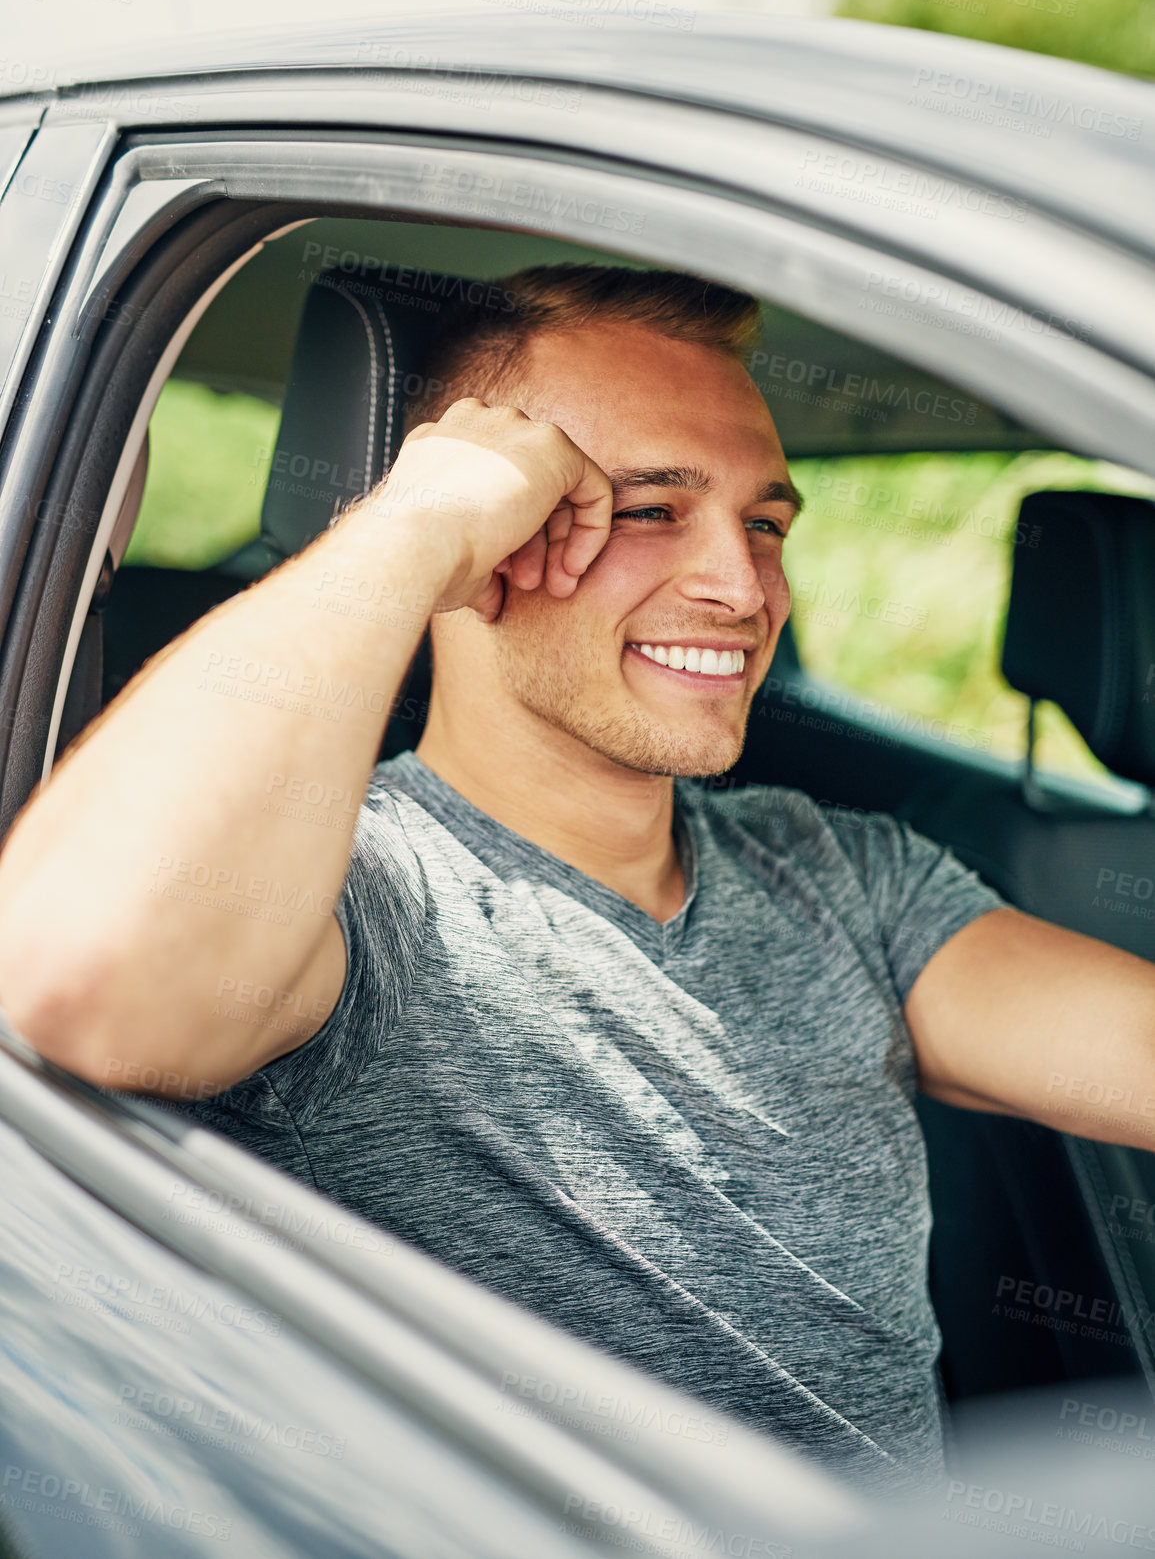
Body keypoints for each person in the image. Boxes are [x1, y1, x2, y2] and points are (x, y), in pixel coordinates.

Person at [2, 265, 1153, 1492]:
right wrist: (408, 529)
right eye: (650, 510)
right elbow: (73, 984)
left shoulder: (840, 870)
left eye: (765, 523)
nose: (746, 586)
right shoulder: (355, 896)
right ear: (481, 544)